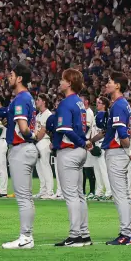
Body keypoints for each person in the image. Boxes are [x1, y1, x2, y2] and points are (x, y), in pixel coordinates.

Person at [52, 69, 91, 247]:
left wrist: (81, 142)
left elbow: (65, 129)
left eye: (62, 79)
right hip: (79, 151)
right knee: (79, 195)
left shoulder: (66, 102)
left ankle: (75, 235)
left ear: (69, 83)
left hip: (69, 150)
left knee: (71, 195)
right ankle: (84, 233)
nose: (60, 82)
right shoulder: (79, 102)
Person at [2, 64, 38, 250]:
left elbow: (23, 128)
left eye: (12, 75)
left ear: (19, 78)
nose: (9, 78)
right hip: (26, 148)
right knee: (27, 196)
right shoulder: (27, 97)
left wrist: (31, 136)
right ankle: (27, 235)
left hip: (21, 148)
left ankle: (26, 237)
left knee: (23, 197)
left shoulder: (20, 98)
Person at [102, 72, 131, 245]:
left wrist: (127, 148)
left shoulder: (119, 105)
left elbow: (122, 133)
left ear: (117, 85)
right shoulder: (122, 104)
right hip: (119, 152)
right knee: (124, 195)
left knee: (120, 195)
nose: (106, 84)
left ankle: (126, 233)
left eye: (109, 82)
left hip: (116, 152)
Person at [91, 98, 112, 201]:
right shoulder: (96, 116)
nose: (97, 104)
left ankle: (109, 192)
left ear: (104, 105)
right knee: (97, 170)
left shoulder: (106, 115)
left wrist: (91, 141)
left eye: (99, 103)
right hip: (96, 144)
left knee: (104, 170)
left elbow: (104, 132)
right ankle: (99, 191)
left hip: (102, 143)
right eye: (97, 102)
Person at [34, 94, 54, 199]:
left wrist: (35, 138)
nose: (36, 101)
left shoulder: (48, 114)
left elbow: (43, 131)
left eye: (38, 100)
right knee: (39, 167)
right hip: (38, 142)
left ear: (44, 102)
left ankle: (49, 191)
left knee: (45, 166)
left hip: (45, 141)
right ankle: (43, 190)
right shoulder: (38, 115)